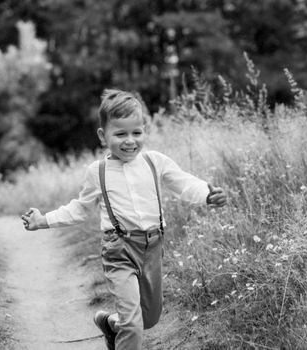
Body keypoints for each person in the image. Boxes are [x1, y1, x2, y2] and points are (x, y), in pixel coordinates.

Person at [21, 89, 227, 350]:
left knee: (148, 319)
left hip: (152, 248)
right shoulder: (98, 172)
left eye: (136, 133)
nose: (130, 141)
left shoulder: (155, 162)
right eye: (120, 134)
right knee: (134, 324)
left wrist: (207, 195)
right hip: (118, 250)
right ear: (102, 136)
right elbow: (79, 209)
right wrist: (43, 220)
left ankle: (111, 324)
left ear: (144, 130)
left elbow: (184, 183)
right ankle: (125, 328)